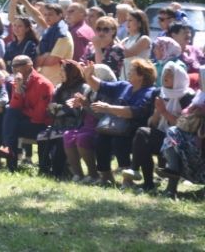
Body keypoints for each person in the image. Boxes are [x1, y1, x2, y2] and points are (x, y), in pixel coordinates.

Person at [83, 58, 157, 185]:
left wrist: (108, 108)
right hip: (116, 127)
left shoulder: (149, 91)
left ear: (141, 76)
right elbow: (100, 86)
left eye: (132, 71)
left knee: (120, 141)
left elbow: (135, 111)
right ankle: (106, 177)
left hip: (135, 130)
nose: (128, 72)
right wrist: (88, 75)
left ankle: (127, 180)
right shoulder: (124, 86)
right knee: (101, 139)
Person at [124, 61, 191, 192]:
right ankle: (147, 182)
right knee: (142, 134)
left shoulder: (187, 96)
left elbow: (185, 126)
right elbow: (151, 124)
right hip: (162, 135)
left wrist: (165, 112)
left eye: (170, 74)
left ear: (178, 77)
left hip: (180, 140)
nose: (165, 75)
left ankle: (137, 170)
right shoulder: (159, 93)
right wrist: (156, 114)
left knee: (145, 135)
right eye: (165, 72)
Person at [0, 55, 53, 171]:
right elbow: (14, 107)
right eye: (12, 66)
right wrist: (18, 91)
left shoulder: (43, 84)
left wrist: (23, 110)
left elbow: (39, 116)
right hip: (25, 121)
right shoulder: (16, 82)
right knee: (6, 116)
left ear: (29, 66)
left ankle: (8, 155)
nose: (14, 69)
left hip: (42, 125)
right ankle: (9, 158)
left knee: (10, 123)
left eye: (18, 66)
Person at [52, 60, 96, 183]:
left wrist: (65, 110)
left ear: (71, 72)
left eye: (63, 71)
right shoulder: (60, 88)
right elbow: (54, 107)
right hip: (59, 124)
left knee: (66, 136)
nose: (60, 73)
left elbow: (83, 112)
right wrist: (53, 108)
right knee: (46, 137)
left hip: (77, 124)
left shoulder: (83, 87)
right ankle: (53, 169)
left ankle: (70, 171)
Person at [34, 3, 73, 85]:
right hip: (43, 80)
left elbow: (53, 60)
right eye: (45, 15)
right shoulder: (47, 33)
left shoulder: (63, 35)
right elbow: (37, 57)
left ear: (60, 15)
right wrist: (44, 56)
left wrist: (37, 60)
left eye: (50, 14)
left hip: (56, 82)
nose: (47, 17)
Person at [169, 22, 204, 90]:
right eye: (185, 32)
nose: (189, 35)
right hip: (180, 90)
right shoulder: (169, 54)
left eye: (189, 33)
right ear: (174, 35)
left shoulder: (195, 49)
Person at [121, 9, 151, 80]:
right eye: (127, 20)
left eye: (130, 20)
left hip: (139, 80)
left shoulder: (144, 39)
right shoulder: (126, 40)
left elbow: (127, 54)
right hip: (124, 78)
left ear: (139, 23)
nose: (127, 23)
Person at [64, 3, 95, 67]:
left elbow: (78, 59)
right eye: (67, 11)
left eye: (71, 11)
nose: (68, 14)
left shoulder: (76, 33)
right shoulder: (88, 28)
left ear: (82, 14)